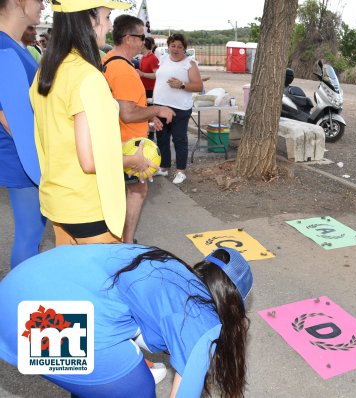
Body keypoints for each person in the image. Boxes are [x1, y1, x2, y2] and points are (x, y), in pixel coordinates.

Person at [0, 244, 252, 398]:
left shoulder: (164, 264)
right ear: (233, 307)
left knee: (97, 379)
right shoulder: (205, 325)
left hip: (14, 294)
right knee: (137, 388)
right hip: (44, 321)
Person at [30, 0, 156, 246]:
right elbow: (89, 160)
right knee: (100, 283)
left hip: (58, 201)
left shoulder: (48, 68)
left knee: (73, 281)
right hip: (88, 206)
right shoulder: (88, 77)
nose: (109, 27)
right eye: (107, 17)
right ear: (89, 19)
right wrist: (133, 160)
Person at [102, 15, 175, 244]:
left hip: (118, 141)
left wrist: (148, 120)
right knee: (137, 192)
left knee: (126, 194)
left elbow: (120, 108)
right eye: (141, 37)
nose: (144, 41)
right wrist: (156, 110)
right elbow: (127, 112)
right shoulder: (123, 70)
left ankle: (121, 240)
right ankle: (127, 243)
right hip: (128, 147)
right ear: (128, 38)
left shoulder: (109, 60)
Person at [0, 0, 47, 268]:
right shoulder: (5, 49)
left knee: (31, 235)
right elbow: (9, 119)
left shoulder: (17, 46)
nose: (42, 4)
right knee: (29, 236)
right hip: (25, 161)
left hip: (27, 158)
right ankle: (22, 302)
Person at [153, 33, 203, 184]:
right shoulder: (163, 60)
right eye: (173, 46)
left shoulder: (189, 64)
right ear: (168, 47)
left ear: (184, 49)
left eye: (179, 47)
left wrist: (181, 85)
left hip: (180, 108)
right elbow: (159, 80)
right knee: (161, 138)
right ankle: (164, 167)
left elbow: (199, 86)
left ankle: (181, 171)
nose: (175, 49)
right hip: (160, 106)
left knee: (179, 140)